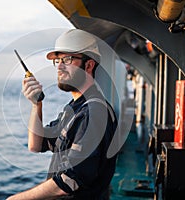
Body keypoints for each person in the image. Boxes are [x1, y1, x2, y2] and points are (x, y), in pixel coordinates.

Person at [7, 29, 118, 200]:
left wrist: (15, 199)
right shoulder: (74, 109)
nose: (59, 66)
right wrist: (37, 104)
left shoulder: (95, 112)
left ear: (89, 65)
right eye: (57, 60)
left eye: (67, 59)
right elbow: (36, 145)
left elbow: (70, 181)